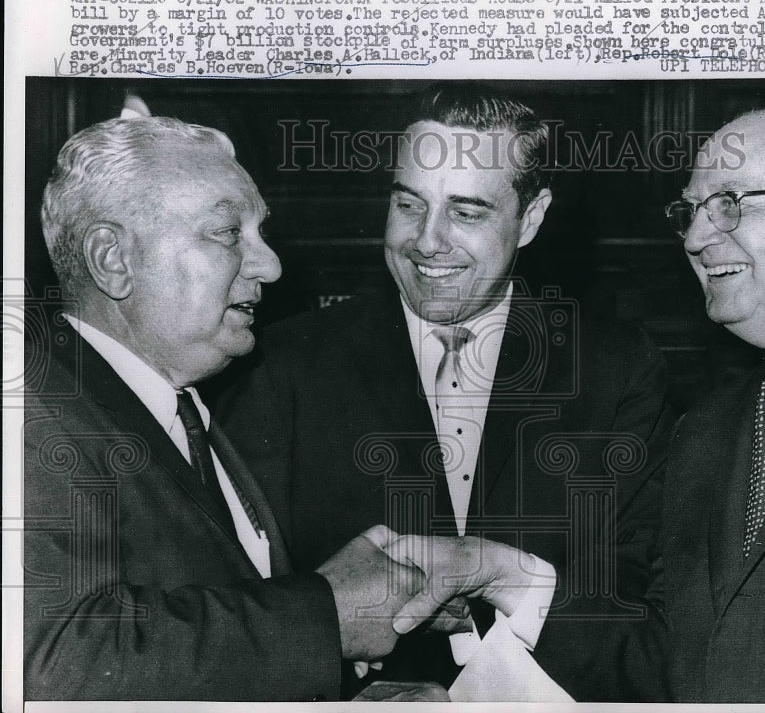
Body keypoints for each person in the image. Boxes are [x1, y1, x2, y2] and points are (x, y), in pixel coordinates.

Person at [391, 105, 765, 703]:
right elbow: (665, 661)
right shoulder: (707, 429)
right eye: (691, 212)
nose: (695, 238)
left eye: (729, 204)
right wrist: (501, 581)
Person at [215, 85, 675, 691]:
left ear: (530, 218)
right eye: (409, 205)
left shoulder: (616, 370)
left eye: (465, 212)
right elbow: (241, 597)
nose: (427, 241)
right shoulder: (280, 364)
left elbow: (639, 604)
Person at [22, 116, 450, 701]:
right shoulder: (30, 417)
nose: (269, 266)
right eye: (228, 232)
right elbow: (49, 661)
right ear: (113, 259)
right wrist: (326, 618)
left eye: (260, 233)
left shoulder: (188, 409)